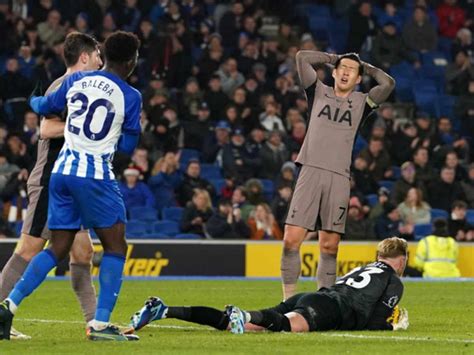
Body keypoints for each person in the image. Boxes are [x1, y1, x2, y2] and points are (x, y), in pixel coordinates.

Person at [0, 31, 142, 342]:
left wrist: (35, 98)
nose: (98, 59)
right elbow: (126, 147)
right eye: (95, 55)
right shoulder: (125, 94)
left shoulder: (76, 83)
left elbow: (40, 105)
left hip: (62, 173)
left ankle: (13, 306)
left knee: (75, 250)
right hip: (80, 174)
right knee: (115, 245)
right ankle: (100, 324)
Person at [281, 50, 395, 299]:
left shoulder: (363, 102)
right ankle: (287, 303)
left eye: (351, 71)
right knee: (291, 240)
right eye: (341, 68)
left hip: (339, 177)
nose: (345, 72)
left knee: (329, 246)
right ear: (333, 73)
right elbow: (301, 57)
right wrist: (335, 58)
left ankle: (324, 303)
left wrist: (363, 64)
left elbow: (388, 83)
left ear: (358, 79)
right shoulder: (317, 91)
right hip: (310, 170)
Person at [128, 237, 409, 334]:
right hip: (329, 308)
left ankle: (164, 310)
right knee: (284, 326)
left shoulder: (364, 267)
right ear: (402, 259)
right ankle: (245, 316)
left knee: (238, 324)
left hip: (311, 296)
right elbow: (373, 321)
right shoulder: (393, 280)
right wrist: (392, 325)